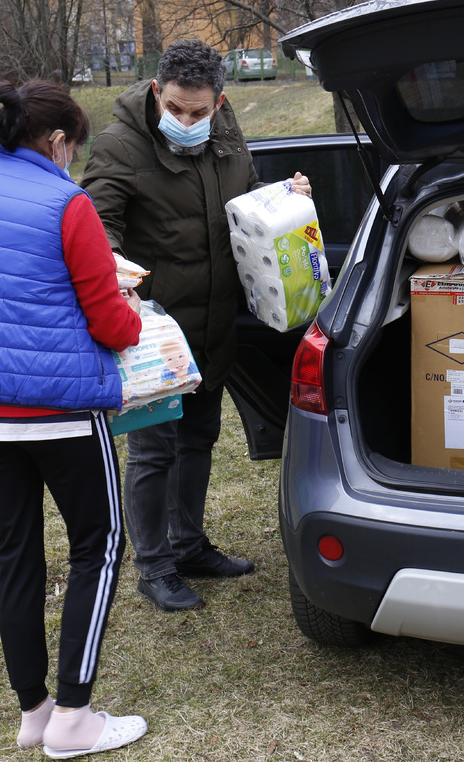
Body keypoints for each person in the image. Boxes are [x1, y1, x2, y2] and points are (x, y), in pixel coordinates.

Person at [0, 80, 148, 757]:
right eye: (72, 149)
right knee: (100, 544)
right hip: (58, 410)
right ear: (58, 142)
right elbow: (111, 320)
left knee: (15, 549)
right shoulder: (67, 203)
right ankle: (74, 719)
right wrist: (136, 318)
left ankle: (35, 710)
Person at [81, 39, 311, 612]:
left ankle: (190, 545)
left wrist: (284, 198)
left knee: (200, 440)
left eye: (198, 112)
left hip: (214, 324)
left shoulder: (228, 137)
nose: (185, 121)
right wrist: (114, 274)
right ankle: (154, 565)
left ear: (220, 101)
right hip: (155, 332)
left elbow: (244, 210)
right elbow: (96, 223)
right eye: (176, 109)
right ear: (158, 92)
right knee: (154, 451)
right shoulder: (119, 145)